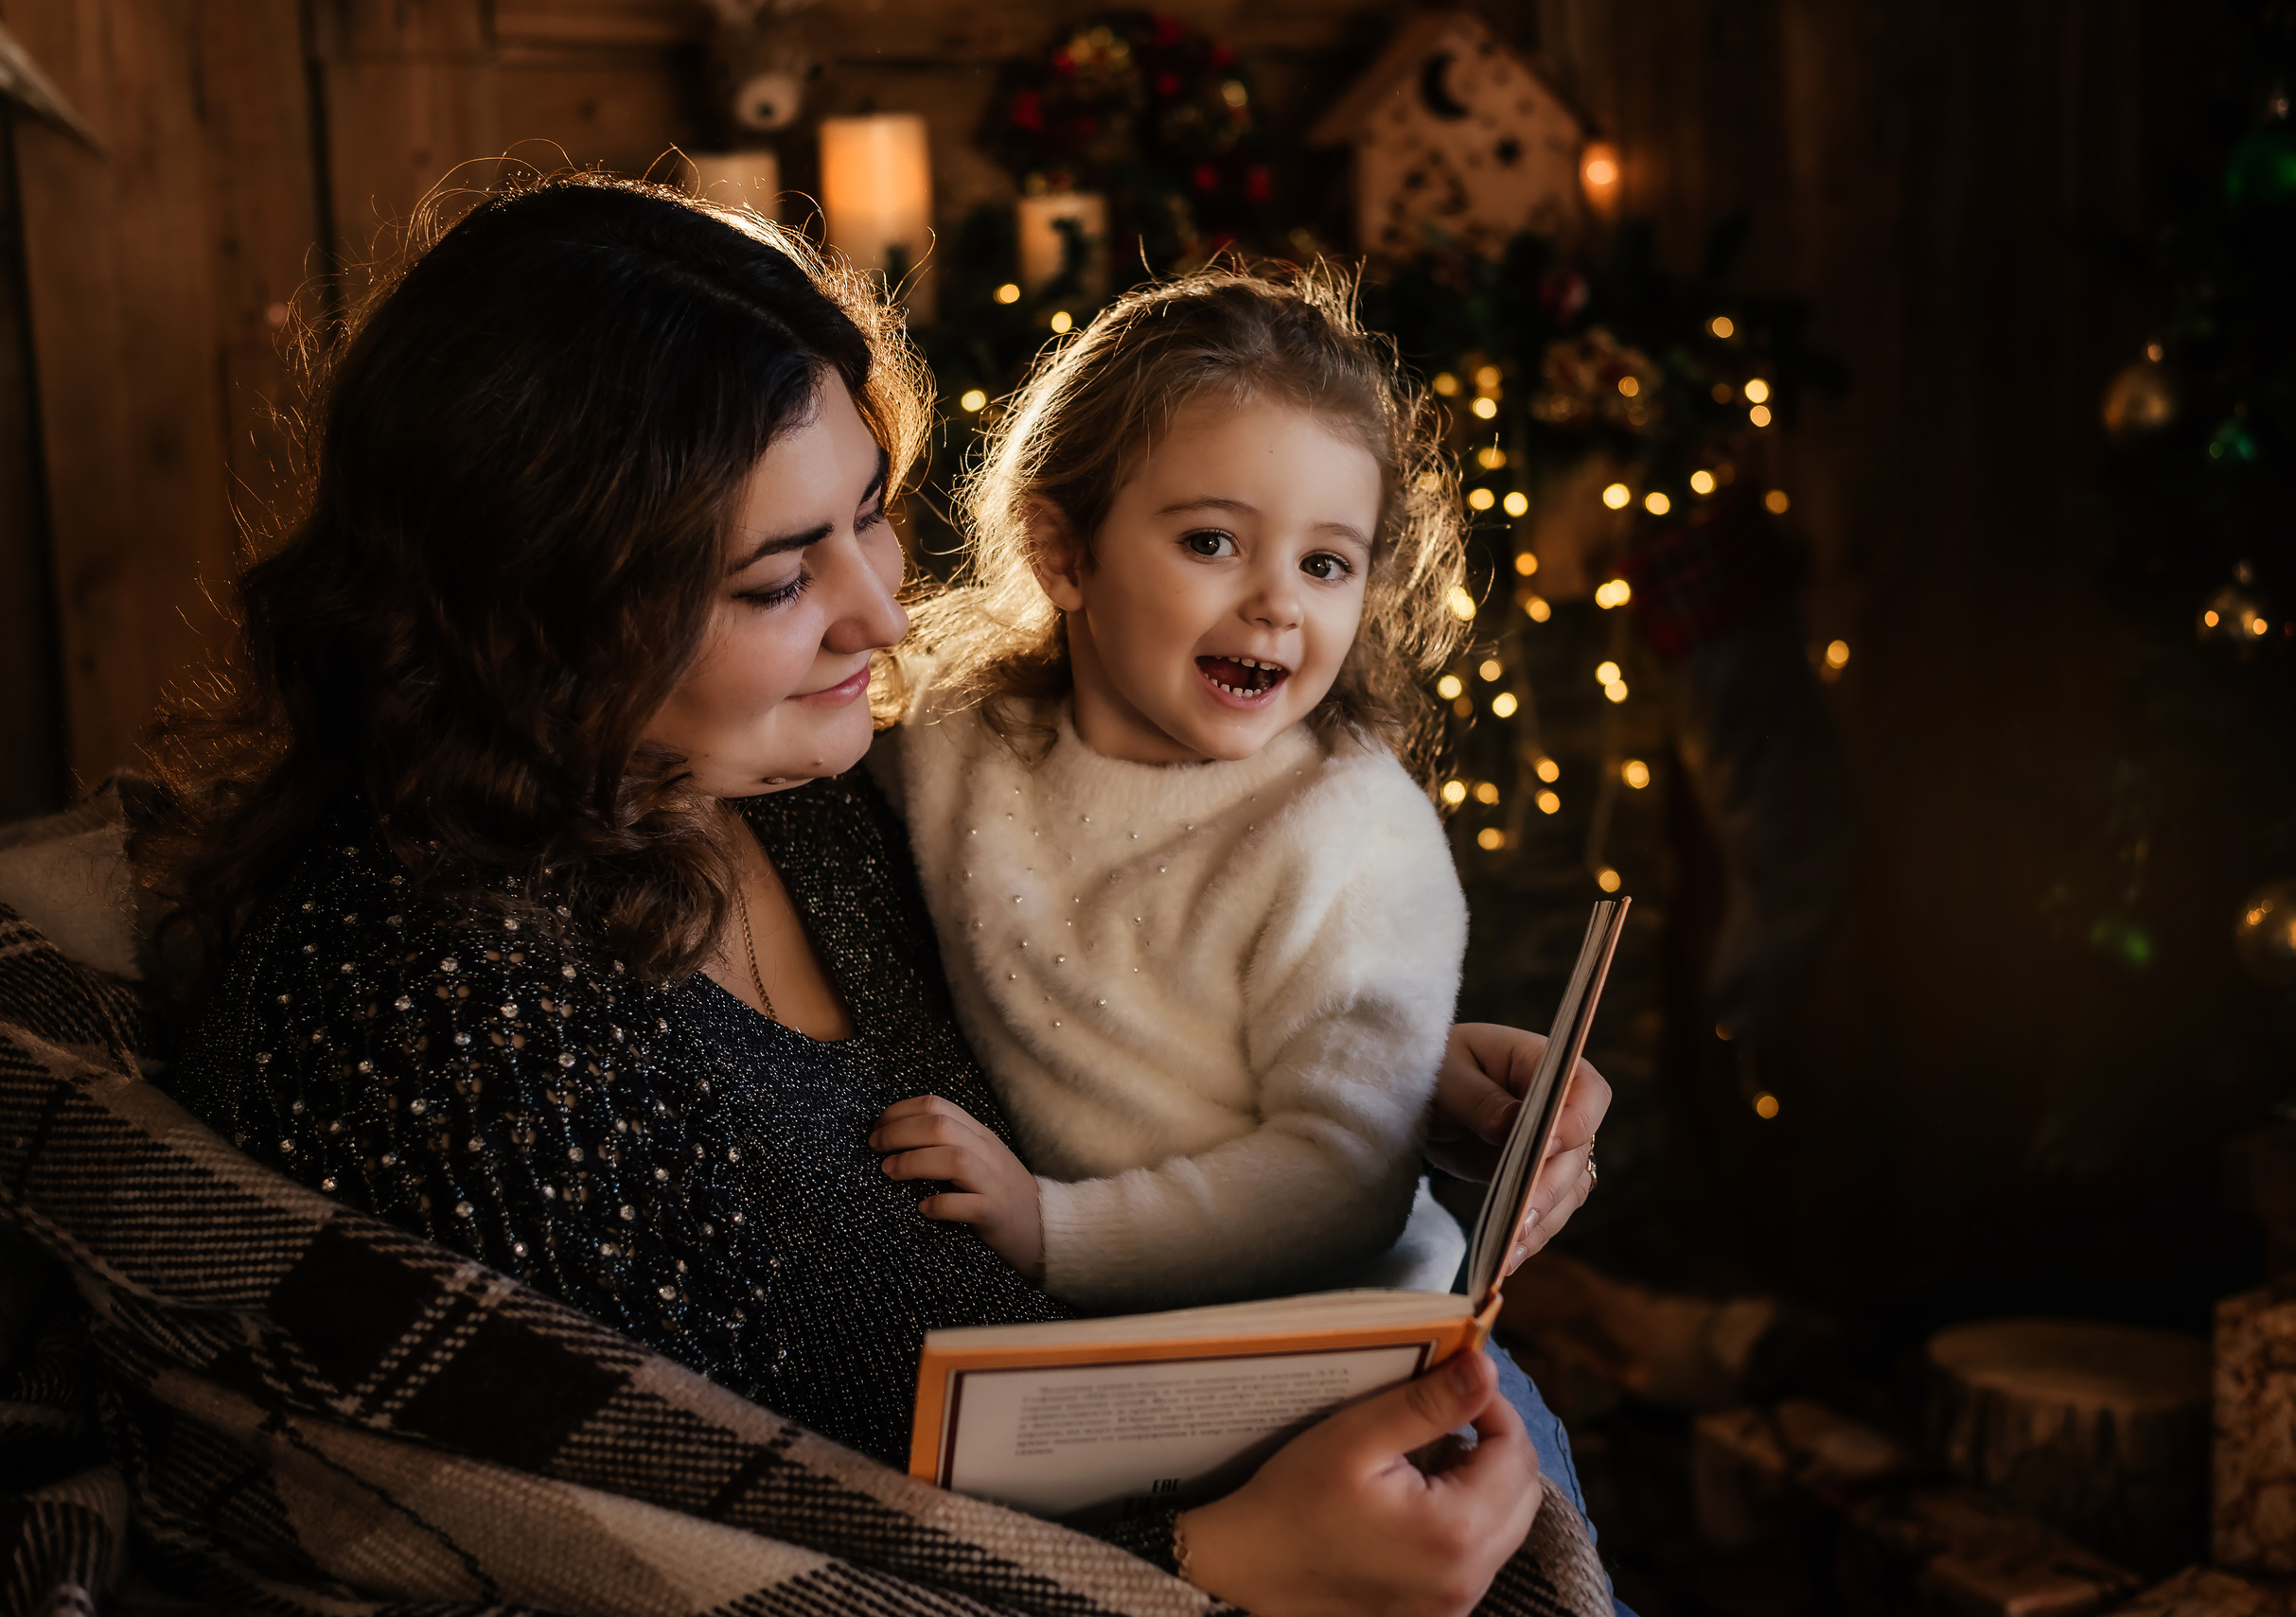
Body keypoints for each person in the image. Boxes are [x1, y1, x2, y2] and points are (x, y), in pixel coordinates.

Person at [143, 174, 1608, 1615]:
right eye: (779, 580)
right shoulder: (432, 1031)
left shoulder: (807, 795)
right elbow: (638, 1562)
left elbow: (1091, 1006)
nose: (885, 612)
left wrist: (1392, 1082)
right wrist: (1216, 1574)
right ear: (541, 614)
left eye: (873, 512)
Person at [867, 268, 1478, 1314]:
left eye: (1327, 563)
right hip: (1104, 1345)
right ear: (1062, 552)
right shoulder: (962, 733)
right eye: (1211, 541)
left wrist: (1053, 1227)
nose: (1278, 602)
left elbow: (1344, 1180)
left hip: (1335, 1332)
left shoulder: (1349, 831)